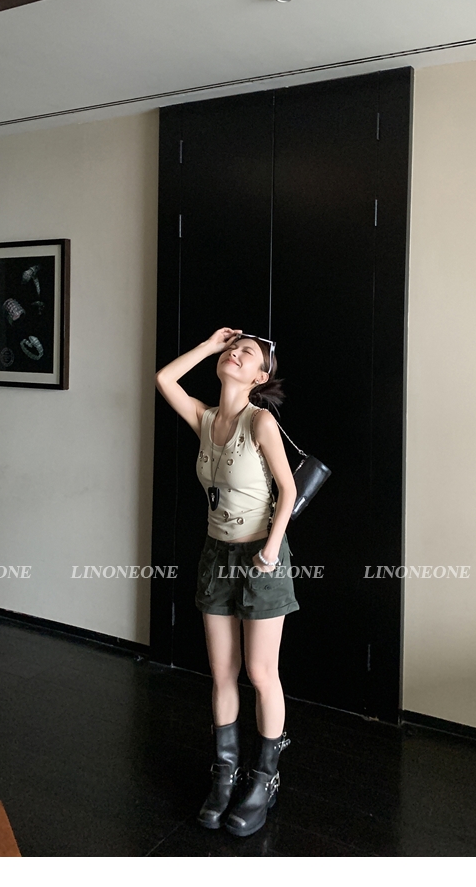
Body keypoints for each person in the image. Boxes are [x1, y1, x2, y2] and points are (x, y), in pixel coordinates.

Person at [155, 326, 298, 837]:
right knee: (222, 673)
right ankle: (225, 774)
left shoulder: (260, 421)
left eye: (247, 353)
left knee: (260, 673)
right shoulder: (205, 417)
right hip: (216, 555)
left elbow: (288, 489)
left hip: (261, 557)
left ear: (260, 377)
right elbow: (164, 379)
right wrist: (210, 346)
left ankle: (264, 778)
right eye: (233, 349)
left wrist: (270, 550)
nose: (236, 354)